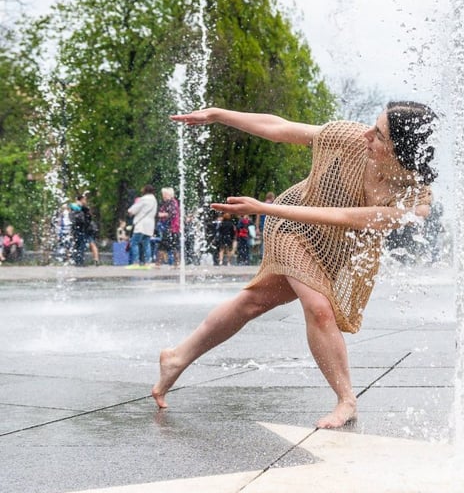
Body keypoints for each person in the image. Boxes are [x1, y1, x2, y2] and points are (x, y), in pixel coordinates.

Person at [152, 101, 437, 429]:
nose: (367, 134)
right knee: (319, 308)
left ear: (401, 149)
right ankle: (347, 400)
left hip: (332, 245)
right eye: (373, 125)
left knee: (252, 302)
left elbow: (345, 217)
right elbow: (280, 128)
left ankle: (176, 358)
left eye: (379, 134)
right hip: (291, 225)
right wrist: (218, 115)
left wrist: (265, 209)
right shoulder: (349, 138)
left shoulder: (415, 203)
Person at [127, 185, 158, 268]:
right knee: (146, 243)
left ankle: (136, 263)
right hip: (150, 224)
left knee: (134, 243)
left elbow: (133, 209)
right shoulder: (154, 200)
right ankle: (148, 262)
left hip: (141, 224)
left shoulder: (143, 199)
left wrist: (130, 211)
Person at [156, 187, 181, 266]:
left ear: (170, 194)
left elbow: (172, 213)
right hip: (172, 227)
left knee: (164, 245)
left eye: (165, 194)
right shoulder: (169, 202)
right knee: (173, 245)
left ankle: (158, 264)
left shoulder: (172, 202)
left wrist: (162, 214)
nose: (163, 196)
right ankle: (176, 263)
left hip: (172, 227)